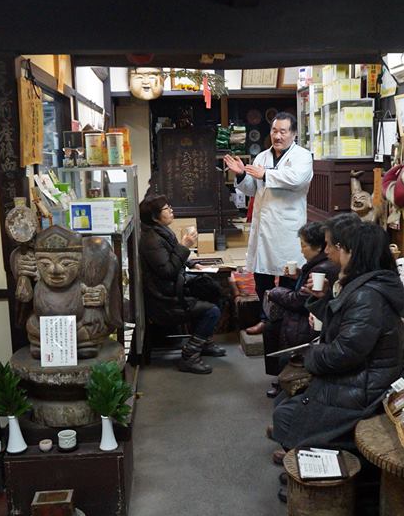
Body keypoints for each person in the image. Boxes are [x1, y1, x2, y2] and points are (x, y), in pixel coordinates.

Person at [270, 221, 404, 453]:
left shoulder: (367, 295)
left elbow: (343, 353)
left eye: (334, 246)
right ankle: (295, 443)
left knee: (285, 415)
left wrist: (310, 354)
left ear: (352, 252)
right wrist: (325, 298)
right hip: (360, 376)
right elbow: (343, 328)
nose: (328, 250)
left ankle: (307, 453)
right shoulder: (367, 283)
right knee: (285, 402)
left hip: (365, 387)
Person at [225, 112, 313, 336]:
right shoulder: (262, 157)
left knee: (288, 278)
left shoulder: (302, 156)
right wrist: (241, 176)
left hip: (287, 229)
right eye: (274, 131)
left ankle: (286, 321)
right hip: (264, 227)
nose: (278, 136)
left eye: (283, 131)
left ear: (293, 134)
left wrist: (265, 174)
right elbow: (252, 189)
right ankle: (265, 319)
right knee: (261, 276)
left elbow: (295, 179)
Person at [139, 194, 226, 374]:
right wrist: (184, 245)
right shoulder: (151, 240)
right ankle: (189, 355)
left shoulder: (161, 231)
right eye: (166, 208)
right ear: (155, 217)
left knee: (214, 291)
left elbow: (171, 257)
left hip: (173, 288)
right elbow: (168, 271)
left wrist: (193, 264)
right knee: (212, 311)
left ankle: (204, 342)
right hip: (164, 299)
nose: (171, 210)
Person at [262, 221, 340, 398]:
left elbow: (299, 301)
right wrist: (298, 275)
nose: (301, 250)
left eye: (304, 246)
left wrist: (275, 292)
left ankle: (287, 378)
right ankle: (282, 377)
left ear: (318, 247)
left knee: (275, 328)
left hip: (311, 319)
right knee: (271, 328)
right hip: (309, 314)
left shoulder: (322, 268)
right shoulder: (316, 264)